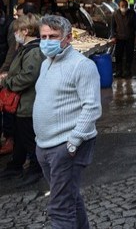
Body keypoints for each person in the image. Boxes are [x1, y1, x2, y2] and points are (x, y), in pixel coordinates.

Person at [33, 15, 102, 228]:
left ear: (68, 38)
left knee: (60, 208)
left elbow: (92, 107)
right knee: (69, 197)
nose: (46, 41)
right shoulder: (46, 63)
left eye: (53, 36)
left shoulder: (83, 66)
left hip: (66, 146)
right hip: (45, 145)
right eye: (43, 36)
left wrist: (73, 141)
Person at [0, 14, 45, 186]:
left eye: (17, 31)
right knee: (19, 136)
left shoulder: (33, 51)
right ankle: (16, 165)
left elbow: (28, 76)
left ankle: (36, 168)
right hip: (22, 104)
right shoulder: (27, 48)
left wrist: (7, 81)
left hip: (28, 103)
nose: (15, 35)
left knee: (28, 137)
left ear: (25, 31)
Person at [110, 0, 136, 78]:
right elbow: (112, 26)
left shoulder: (132, 13)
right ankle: (118, 71)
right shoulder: (115, 14)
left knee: (129, 55)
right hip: (119, 38)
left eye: (125, 6)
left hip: (129, 38)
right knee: (118, 55)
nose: (124, 8)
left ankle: (127, 71)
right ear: (119, 6)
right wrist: (113, 36)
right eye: (122, 6)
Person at [0, 0, 14, 155]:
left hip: (4, 71)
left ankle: (9, 138)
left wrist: (4, 71)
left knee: (7, 105)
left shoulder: (10, 25)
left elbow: (11, 51)